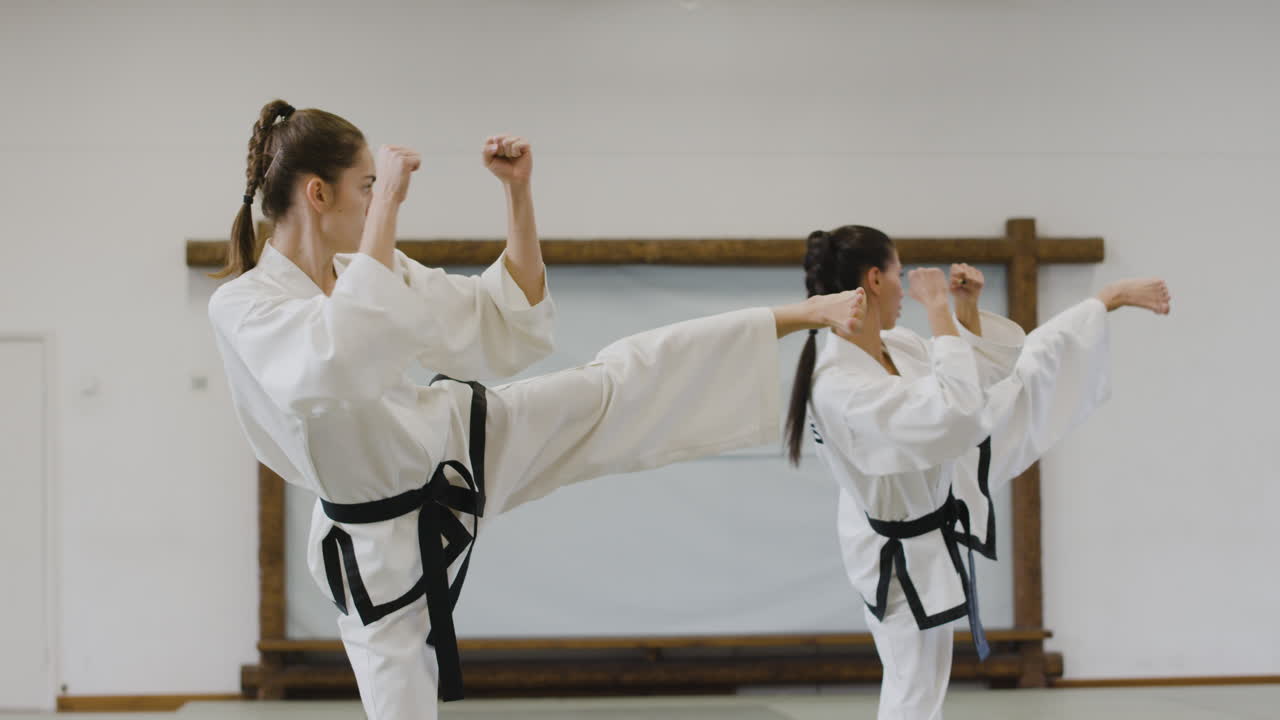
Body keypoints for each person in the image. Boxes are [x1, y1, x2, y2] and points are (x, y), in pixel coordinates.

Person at [208, 100, 867, 720]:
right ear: (317, 195)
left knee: (615, 384)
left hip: (458, 446)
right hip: (372, 532)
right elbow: (337, 362)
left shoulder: (373, 269)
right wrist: (391, 207)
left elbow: (500, 317)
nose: (375, 201)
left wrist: (517, 193)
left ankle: (789, 316)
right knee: (399, 699)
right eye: (365, 187)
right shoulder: (245, 306)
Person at [785, 224, 1171, 720]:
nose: (907, 288)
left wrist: (962, 313)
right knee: (913, 691)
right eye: (901, 275)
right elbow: (958, 413)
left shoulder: (890, 345)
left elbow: (967, 382)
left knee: (916, 687)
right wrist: (940, 310)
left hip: (922, 518)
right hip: (898, 556)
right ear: (875, 280)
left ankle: (1104, 301)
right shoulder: (839, 381)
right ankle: (1105, 299)